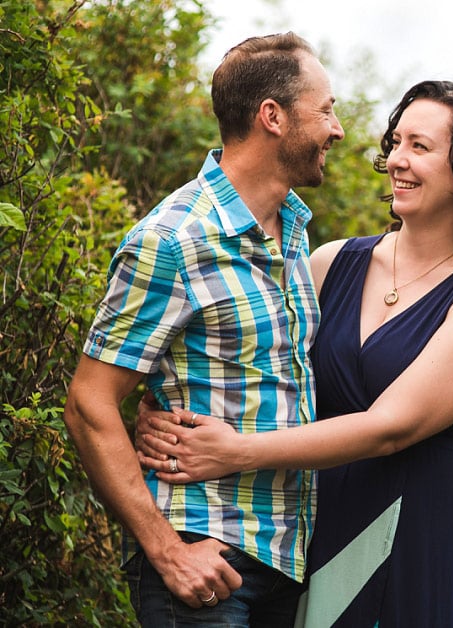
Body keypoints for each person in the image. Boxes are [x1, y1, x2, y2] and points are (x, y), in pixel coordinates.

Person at [135, 80, 453, 626]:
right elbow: (252, 359)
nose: (396, 160)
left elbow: (390, 426)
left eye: (419, 147)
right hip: (314, 518)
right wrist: (164, 409)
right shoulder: (333, 263)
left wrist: (235, 451)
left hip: (418, 523)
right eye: (396, 142)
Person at [62, 32, 344, 625]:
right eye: (326, 110)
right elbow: (90, 402)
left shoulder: (291, 231)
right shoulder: (172, 240)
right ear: (272, 116)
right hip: (206, 564)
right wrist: (168, 551)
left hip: (285, 561)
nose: (336, 129)